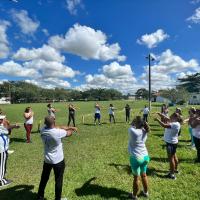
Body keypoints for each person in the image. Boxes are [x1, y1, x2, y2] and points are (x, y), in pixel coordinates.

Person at [37, 116, 78, 200]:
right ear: (54, 122)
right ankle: (58, 199)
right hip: (58, 161)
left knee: (44, 179)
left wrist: (69, 127)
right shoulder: (58, 132)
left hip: (47, 160)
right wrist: (71, 129)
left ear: (45, 123)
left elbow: (55, 127)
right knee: (58, 180)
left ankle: (40, 197)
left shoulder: (42, 130)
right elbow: (69, 133)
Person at [154, 112, 182, 179]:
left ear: (175, 118)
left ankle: (172, 174)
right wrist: (160, 114)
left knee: (171, 158)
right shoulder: (176, 122)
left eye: (171, 116)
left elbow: (164, 125)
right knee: (174, 156)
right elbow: (167, 118)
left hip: (171, 143)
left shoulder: (175, 124)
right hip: (173, 142)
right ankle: (175, 169)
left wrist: (158, 120)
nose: (170, 117)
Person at [128, 116, 150, 200]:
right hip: (145, 157)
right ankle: (145, 192)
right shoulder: (145, 131)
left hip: (136, 158)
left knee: (136, 178)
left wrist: (133, 122)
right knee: (144, 175)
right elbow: (143, 126)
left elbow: (131, 125)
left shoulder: (132, 131)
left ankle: (134, 196)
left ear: (136, 123)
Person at [0, 115, 20, 187]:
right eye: (4, 119)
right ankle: (1, 181)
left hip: (2, 148)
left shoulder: (2, 126)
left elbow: (7, 127)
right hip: (1, 149)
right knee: (2, 165)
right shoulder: (1, 127)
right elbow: (8, 131)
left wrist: (13, 126)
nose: (5, 119)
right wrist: (14, 126)